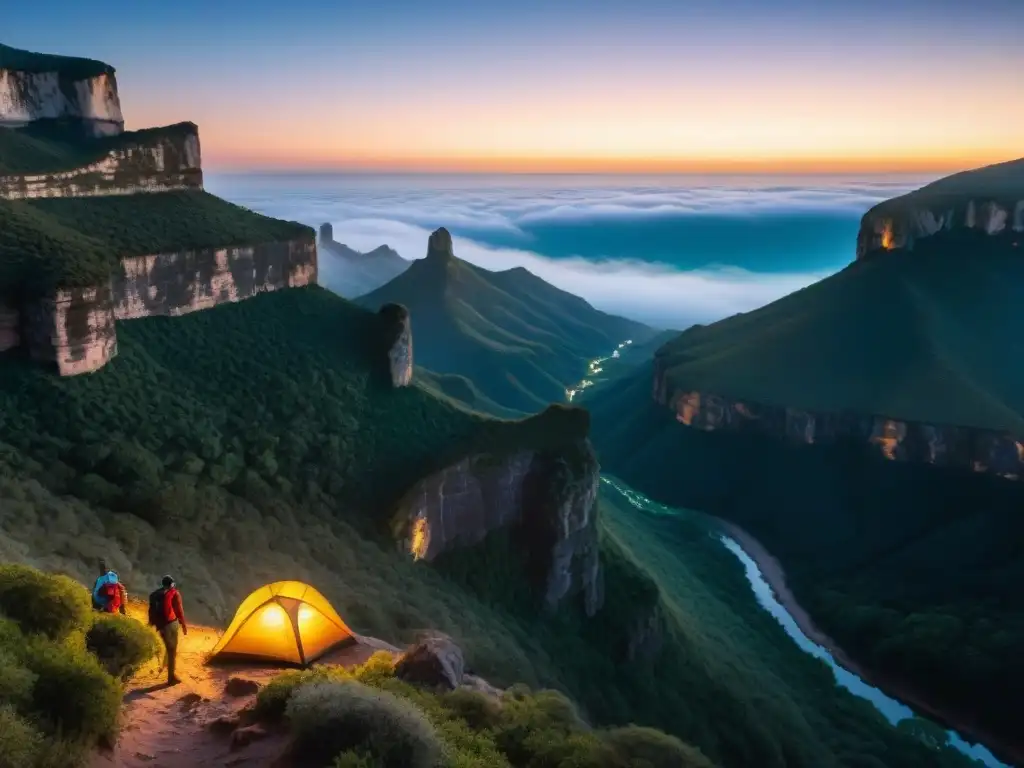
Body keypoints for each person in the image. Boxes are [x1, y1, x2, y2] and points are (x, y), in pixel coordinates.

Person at [148, 575, 188, 686]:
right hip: (171, 624)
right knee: (172, 651)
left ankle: (166, 669)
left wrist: (153, 623)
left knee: (168, 648)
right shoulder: (174, 593)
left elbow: (151, 610)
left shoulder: (155, 595)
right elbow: (179, 610)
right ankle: (171, 677)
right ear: (171, 584)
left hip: (161, 626)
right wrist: (183, 625)